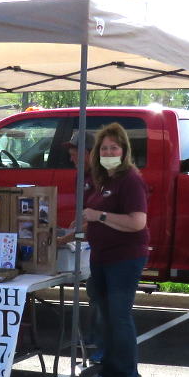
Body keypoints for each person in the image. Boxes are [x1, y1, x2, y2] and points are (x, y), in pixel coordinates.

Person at [80, 122, 148, 377]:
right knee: (106, 319)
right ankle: (109, 371)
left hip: (124, 259)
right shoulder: (102, 179)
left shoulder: (130, 179)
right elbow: (94, 214)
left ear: (124, 151)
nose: (108, 151)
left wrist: (100, 217)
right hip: (101, 257)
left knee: (119, 318)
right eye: (104, 147)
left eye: (113, 147)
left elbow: (137, 222)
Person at [55, 131, 104, 362]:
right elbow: (84, 212)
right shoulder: (80, 176)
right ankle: (94, 338)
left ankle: (102, 345)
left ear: (88, 153)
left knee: (103, 295)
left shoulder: (104, 177)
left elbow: (99, 215)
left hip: (108, 245)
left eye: (74, 154)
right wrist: (76, 224)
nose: (71, 159)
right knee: (94, 290)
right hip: (92, 244)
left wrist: (65, 239)